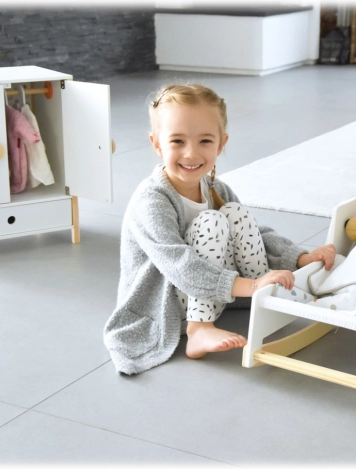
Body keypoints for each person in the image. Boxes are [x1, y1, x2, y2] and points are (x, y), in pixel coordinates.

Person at [103, 84, 335, 375]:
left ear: (221, 144)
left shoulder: (215, 187)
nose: (191, 153)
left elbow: (256, 234)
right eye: (177, 141)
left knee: (235, 213)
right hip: (168, 302)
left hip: (218, 289)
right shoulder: (151, 201)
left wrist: (300, 257)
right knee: (210, 221)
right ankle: (199, 328)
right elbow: (180, 265)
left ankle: (265, 296)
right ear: (157, 144)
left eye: (204, 141)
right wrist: (249, 286)